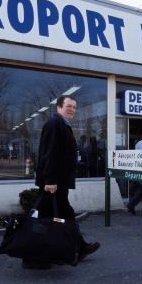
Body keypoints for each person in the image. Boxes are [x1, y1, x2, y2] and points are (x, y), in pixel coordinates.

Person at [29, 95, 100, 270]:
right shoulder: (55, 124)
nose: (72, 110)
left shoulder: (63, 125)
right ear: (58, 107)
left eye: (75, 107)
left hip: (58, 183)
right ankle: (31, 257)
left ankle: (78, 247)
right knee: (45, 219)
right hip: (53, 183)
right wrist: (51, 180)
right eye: (69, 106)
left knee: (63, 216)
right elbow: (50, 154)